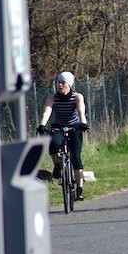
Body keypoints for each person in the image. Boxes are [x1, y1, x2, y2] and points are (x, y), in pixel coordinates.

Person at [37, 71, 89, 201]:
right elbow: (47, 111)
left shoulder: (77, 97)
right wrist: (42, 125)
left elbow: (81, 110)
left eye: (63, 83)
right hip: (58, 125)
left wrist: (83, 123)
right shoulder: (53, 98)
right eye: (58, 82)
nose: (60, 85)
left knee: (76, 157)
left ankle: (79, 189)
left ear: (69, 85)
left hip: (74, 127)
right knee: (53, 145)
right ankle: (57, 166)